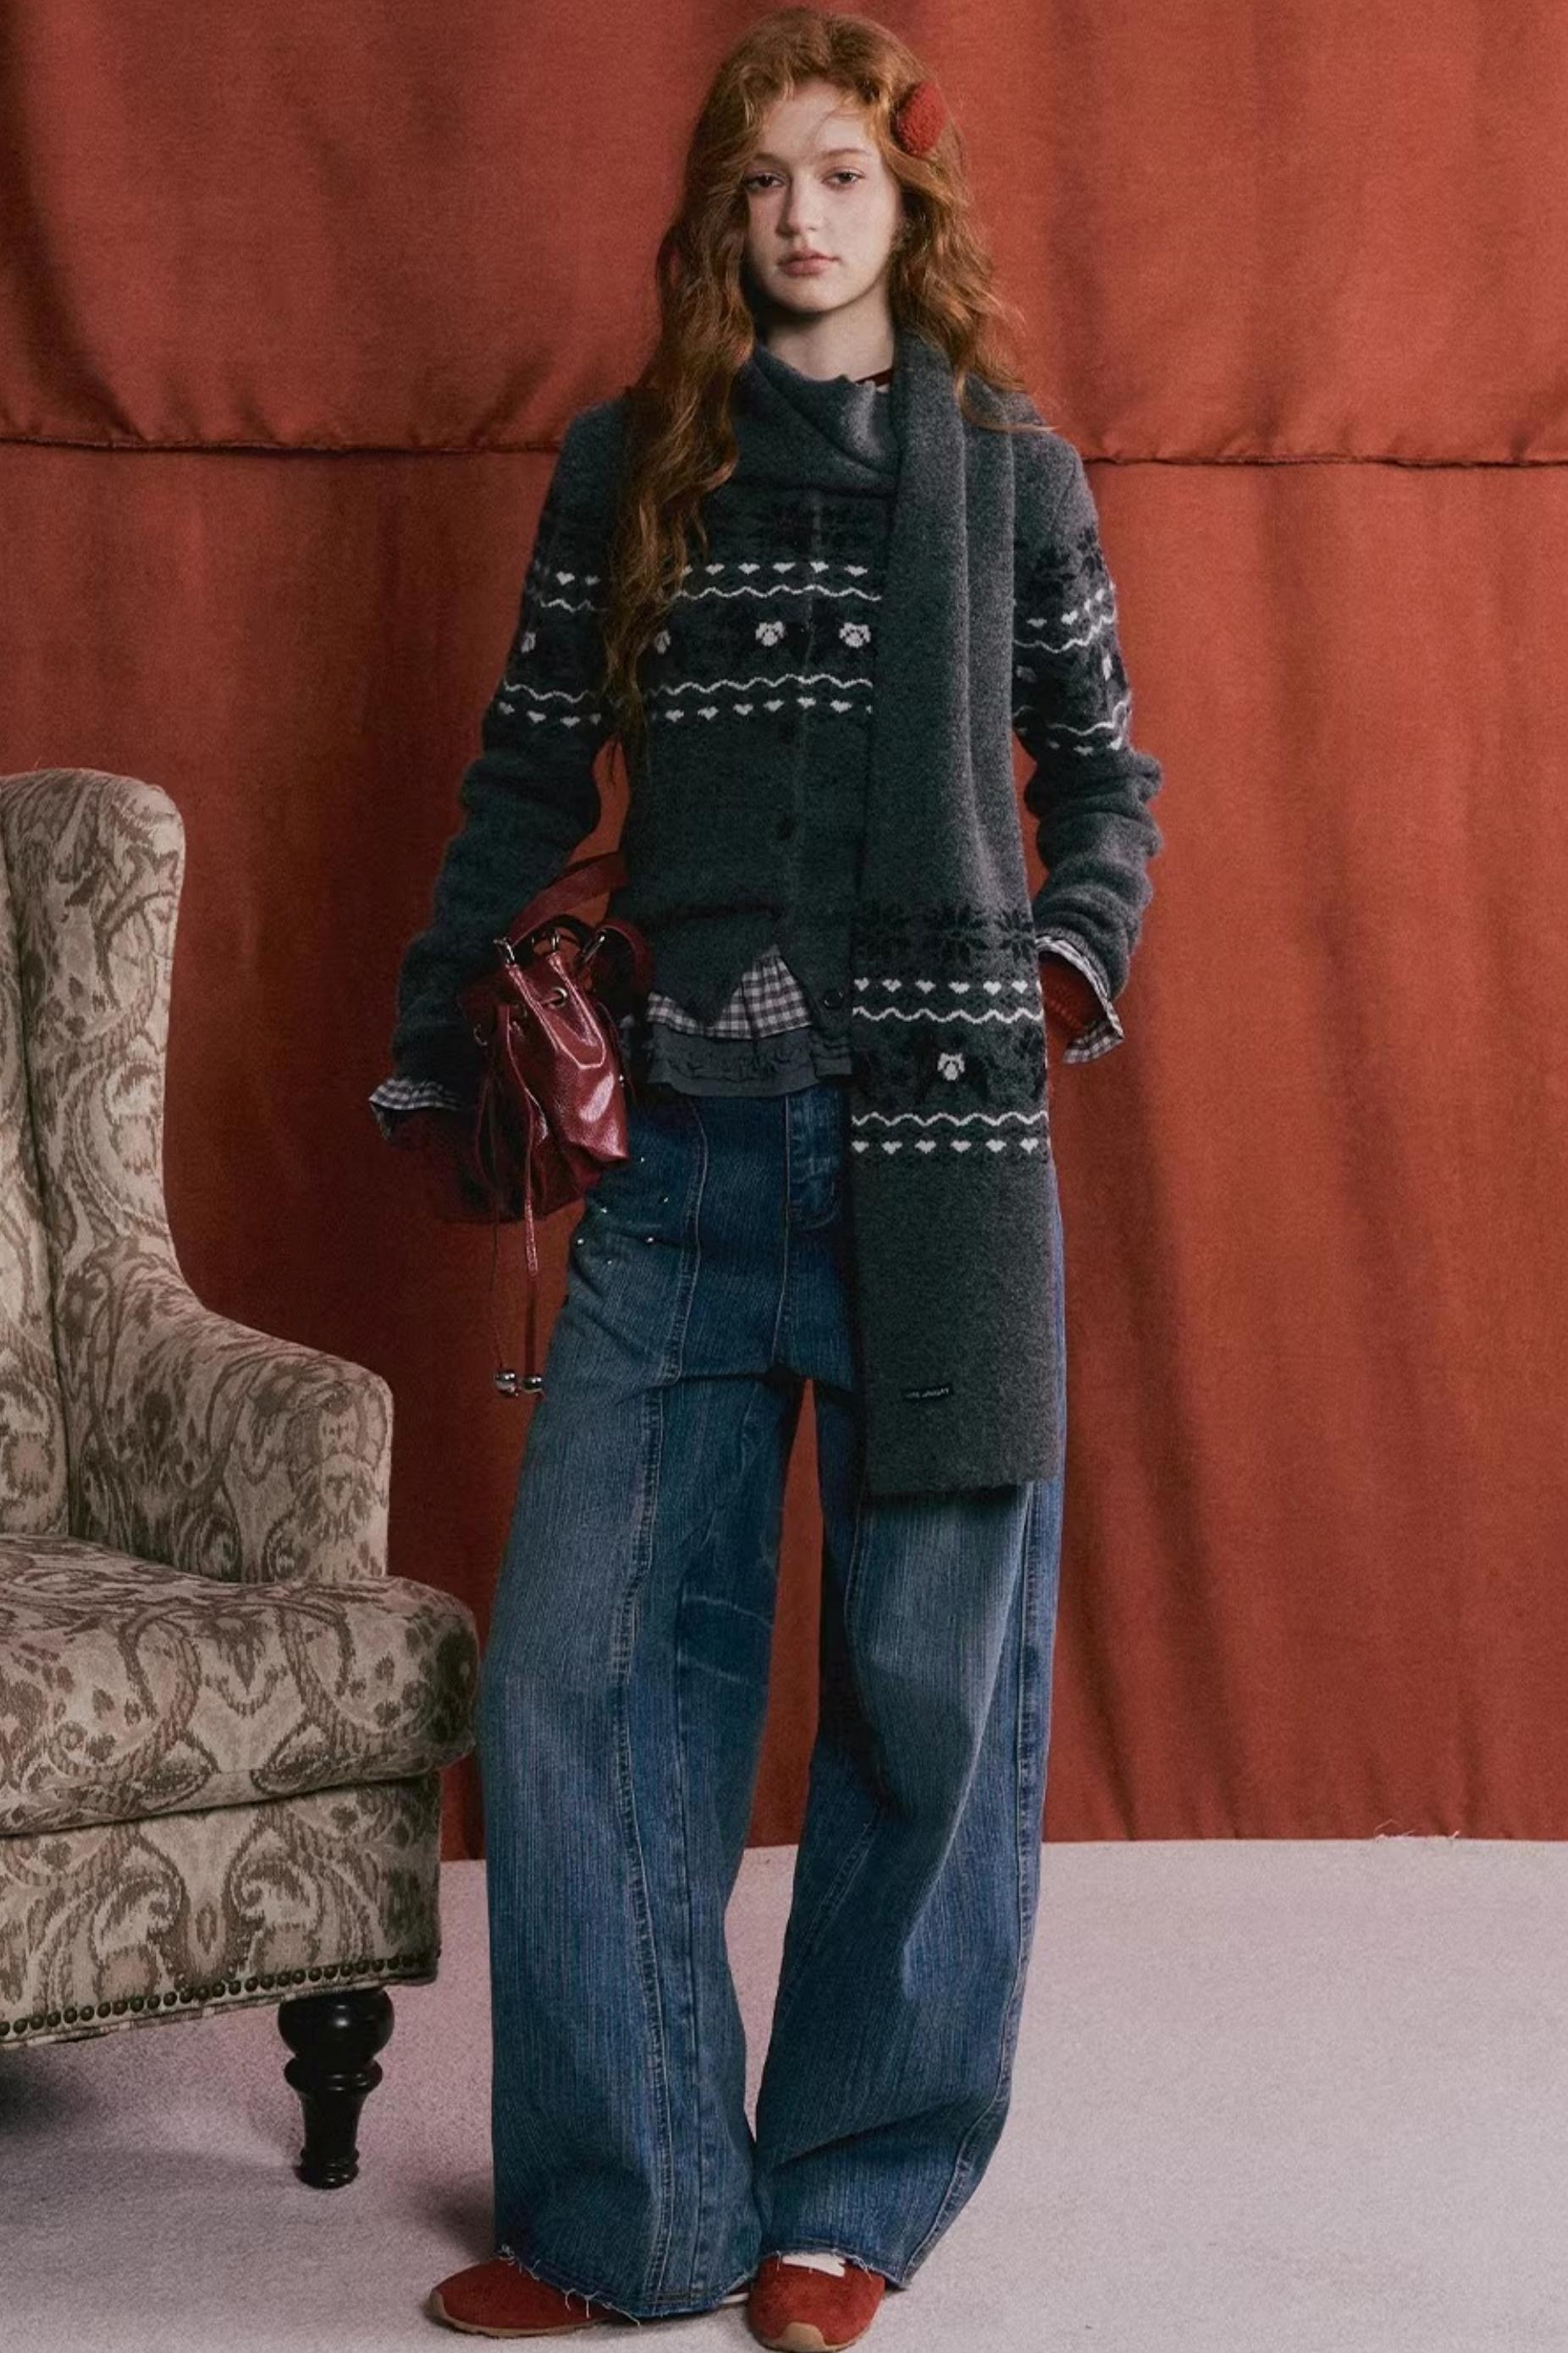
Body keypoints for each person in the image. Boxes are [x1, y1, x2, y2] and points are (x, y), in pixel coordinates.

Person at [374, 11, 1163, 2345]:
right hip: (685, 1158)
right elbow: (528, 774)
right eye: (760, 180)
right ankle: (632, 2212)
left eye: (838, 172)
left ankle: (853, 2195)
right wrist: (435, 1039)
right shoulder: (629, 468)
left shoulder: (1008, 472)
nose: (798, 215)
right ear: (721, 215)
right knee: (579, 1678)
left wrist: (1057, 961)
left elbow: (1106, 776)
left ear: (908, 199)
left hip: (940, 1155)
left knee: (928, 1696)